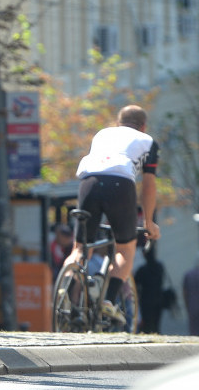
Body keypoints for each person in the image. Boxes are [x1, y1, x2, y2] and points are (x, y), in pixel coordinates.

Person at [63, 104, 161, 324]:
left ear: (118, 123)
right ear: (143, 126)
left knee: (81, 248)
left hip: (88, 183)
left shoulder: (102, 134)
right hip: (120, 184)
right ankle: (108, 301)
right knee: (125, 248)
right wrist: (149, 222)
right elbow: (149, 186)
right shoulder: (148, 141)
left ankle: (67, 292)